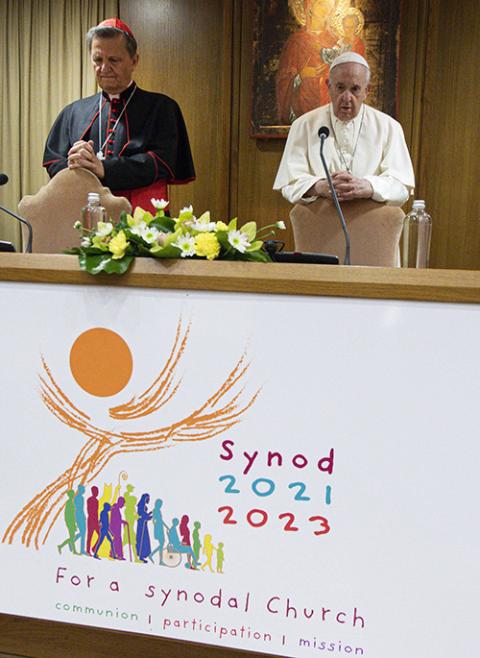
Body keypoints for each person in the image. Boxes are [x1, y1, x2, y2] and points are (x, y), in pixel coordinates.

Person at [43, 18, 195, 213]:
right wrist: (76, 164)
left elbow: (163, 162)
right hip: (84, 218)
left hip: (140, 221)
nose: (104, 68)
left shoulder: (162, 108)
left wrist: (105, 168)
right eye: (98, 60)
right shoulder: (73, 112)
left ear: (134, 61)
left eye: (113, 60)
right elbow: (53, 161)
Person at [273, 52, 415, 207]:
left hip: (371, 224)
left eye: (355, 89)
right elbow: (289, 183)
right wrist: (318, 187)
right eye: (340, 88)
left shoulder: (389, 127)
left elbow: (402, 187)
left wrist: (369, 186)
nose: (347, 98)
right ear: (328, 86)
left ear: (367, 90)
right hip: (318, 223)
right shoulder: (303, 125)